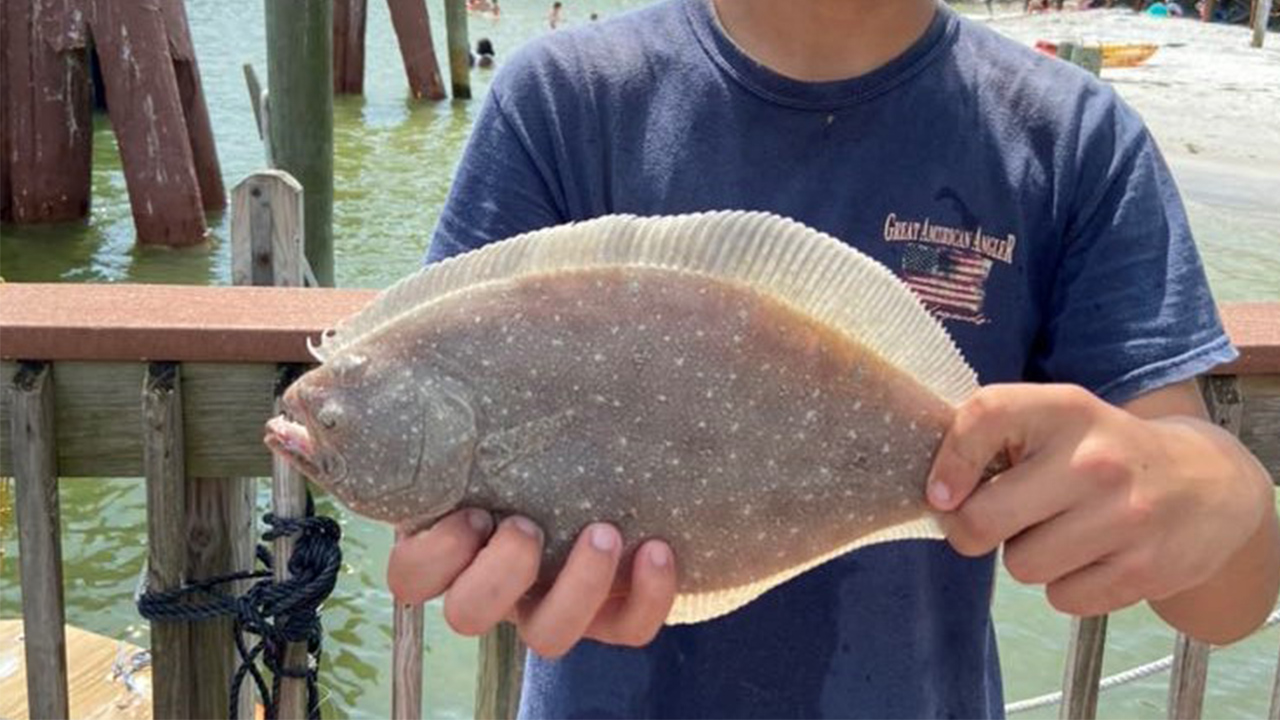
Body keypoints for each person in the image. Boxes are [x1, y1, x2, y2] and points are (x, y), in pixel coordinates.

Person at [391, 1, 1280, 717]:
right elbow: (446, 479)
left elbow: (1229, 600)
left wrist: (1223, 490)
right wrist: (474, 554)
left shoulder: (1074, 141)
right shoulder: (561, 104)